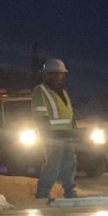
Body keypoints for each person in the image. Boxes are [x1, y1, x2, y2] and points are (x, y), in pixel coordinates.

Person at [31, 58, 79, 199]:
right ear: (48, 74)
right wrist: (48, 134)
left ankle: (70, 191)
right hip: (52, 135)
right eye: (57, 74)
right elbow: (40, 116)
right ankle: (43, 193)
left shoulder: (62, 92)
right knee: (53, 165)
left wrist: (73, 129)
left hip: (66, 134)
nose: (59, 77)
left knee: (69, 163)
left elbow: (68, 114)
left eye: (61, 74)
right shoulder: (40, 91)